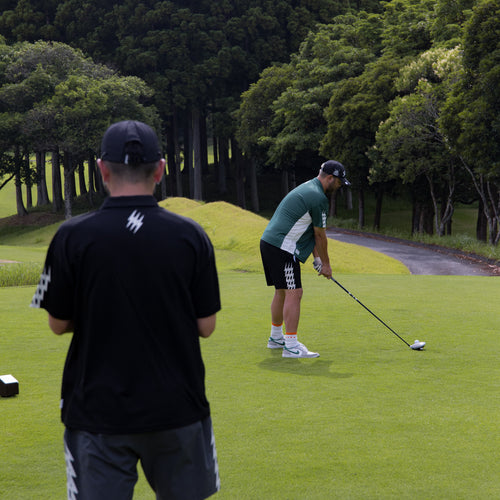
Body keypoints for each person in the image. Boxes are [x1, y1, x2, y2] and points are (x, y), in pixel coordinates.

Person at [30, 120, 221, 500]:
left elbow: (57, 322)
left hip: (97, 411)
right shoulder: (190, 235)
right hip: (178, 406)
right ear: (161, 169)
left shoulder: (72, 236)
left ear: (101, 169)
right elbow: (206, 324)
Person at [260, 160, 350, 358]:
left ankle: (276, 338)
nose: (340, 185)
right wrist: (326, 265)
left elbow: (308, 230)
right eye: (339, 182)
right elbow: (319, 235)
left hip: (269, 243)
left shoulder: (308, 188)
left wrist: (317, 259)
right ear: (330, 178)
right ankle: (290, 346)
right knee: (295, 292)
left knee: (282, 291)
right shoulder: (319, 198)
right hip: (282, 248)